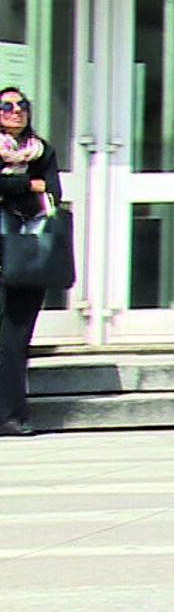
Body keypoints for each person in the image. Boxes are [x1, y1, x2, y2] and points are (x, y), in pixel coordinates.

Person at [0, 88, 61, 438]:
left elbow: (53, 191)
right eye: (6, 106)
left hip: (28, 252)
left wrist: (13, 186)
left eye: (21, 105)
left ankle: (12, 415)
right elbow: (35, 186)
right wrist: (28, 184)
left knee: (17, 335)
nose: (15, 111)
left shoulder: (42, 150)